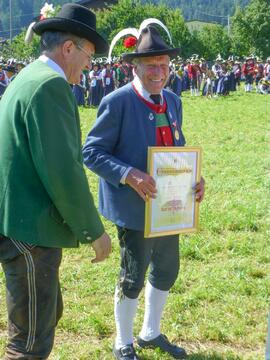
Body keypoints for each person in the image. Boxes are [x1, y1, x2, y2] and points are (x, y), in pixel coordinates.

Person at [83, 24, 205, 360]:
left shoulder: (174, 102)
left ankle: (150, 332)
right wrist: (128, 174)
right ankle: (122, 341)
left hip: (171, 207)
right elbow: (91, 152)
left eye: (164, 65)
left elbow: (175, 151)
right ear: (134, 67)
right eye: (151, 65)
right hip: (134, 207)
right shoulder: (117, 101)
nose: (159, 73)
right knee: (133, 274)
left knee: (167, 269)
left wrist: (194, 180)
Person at [0, 4, 111, 359]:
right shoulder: (50, 86)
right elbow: (63, 170)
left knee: (40, 320)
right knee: (29, 344)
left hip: (18, 223)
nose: (89, 67)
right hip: (31, 230)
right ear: (68, 49)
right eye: (89, 56)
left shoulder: (27, 77)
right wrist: (94, 231)